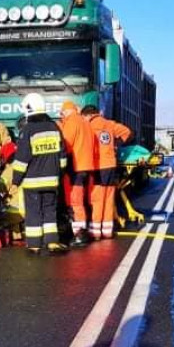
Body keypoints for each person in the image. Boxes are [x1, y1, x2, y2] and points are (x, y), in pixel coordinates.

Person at [13, 93, 68, 255]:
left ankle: (35, 245)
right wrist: (60, 172)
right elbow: (63, 155)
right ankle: (51, 242)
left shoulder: (28, 130)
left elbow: (22, 159)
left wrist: (16, 180)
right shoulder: (54, 127)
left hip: (33, 182)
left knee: (33, 212)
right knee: (50, 210)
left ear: (29, 109)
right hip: (52, 180)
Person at [82, 105, 132, 240]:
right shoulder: (109, 124)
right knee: (109, 198)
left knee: (97, 199)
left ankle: (96, 232)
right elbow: (127, 132)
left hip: (97, 166)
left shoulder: (87, 126)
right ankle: (107, 230)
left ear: (87, 115)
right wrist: (115, 144)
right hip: (110, 165)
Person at [58, 100, 96, 246]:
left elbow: (65, 144)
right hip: (86, 166)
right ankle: (81, 230)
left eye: (62, 113)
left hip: (76, 165)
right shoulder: (85, 122)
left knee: (75, 200)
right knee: (81, 200)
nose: (62, 116)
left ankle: (80, 233)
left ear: (66, 111)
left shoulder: (72, 122)